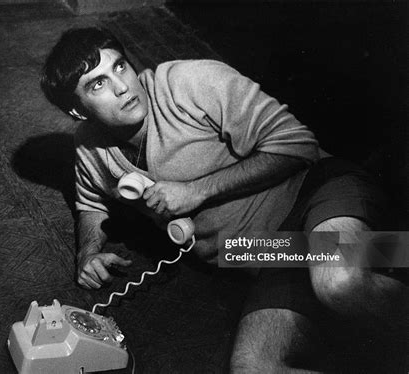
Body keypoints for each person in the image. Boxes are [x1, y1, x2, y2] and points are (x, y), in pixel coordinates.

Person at [41, 27, 408, 372]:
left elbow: (297, 145)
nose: (123, 86)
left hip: (315, 192)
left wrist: (196, 190)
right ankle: (392, 251)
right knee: (254, 367)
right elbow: (91, 202)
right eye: (99, 84)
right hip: (265, 253)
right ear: (78, 109)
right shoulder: (90, 146)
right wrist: (87, 252)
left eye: (120, 65)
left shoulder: (189, 81)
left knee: (339, 282)